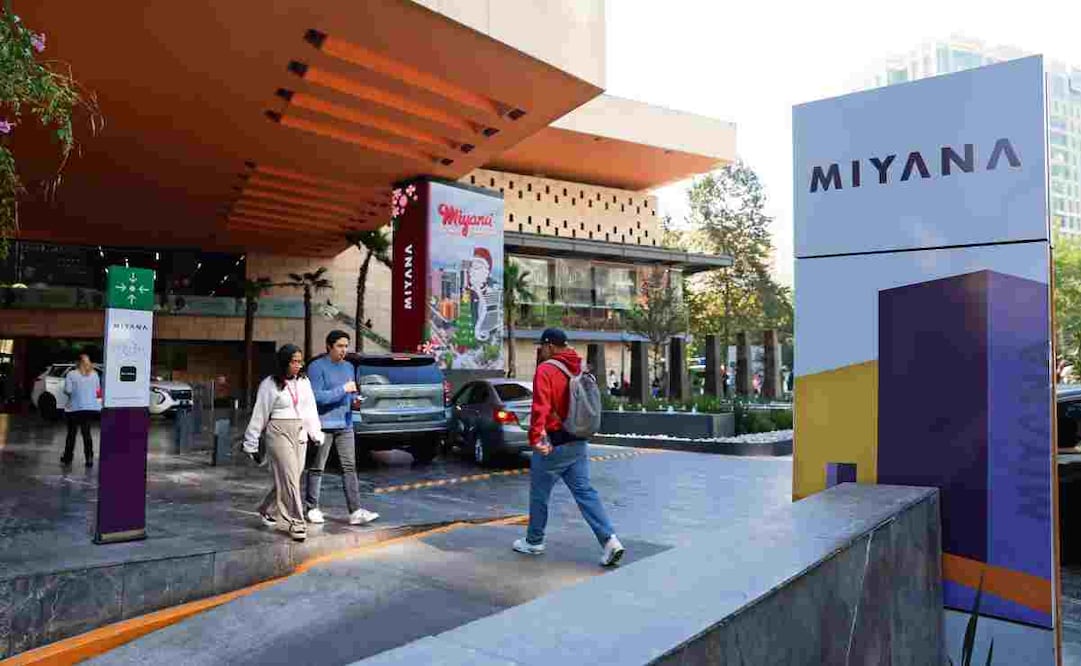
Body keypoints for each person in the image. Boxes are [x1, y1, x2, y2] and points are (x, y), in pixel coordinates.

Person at [513, 328, 625, 567]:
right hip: (578, 439)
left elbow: (540, 407)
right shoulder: (579, 366)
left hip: (555, 443)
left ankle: (534, 541)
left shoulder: (546, 369)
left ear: (550, 346)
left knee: (539, 494)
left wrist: (536, 439)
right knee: (585, 493)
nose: (540, 351)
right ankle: (610, 541)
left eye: (541, 347)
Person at [243, 344, 325, 542]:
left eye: (300, 361)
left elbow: (310, 410)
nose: (298, 365)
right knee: (289, 477)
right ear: (284, 363)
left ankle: (265, 507)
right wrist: (251, 443)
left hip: (299, 432)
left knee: (292, 479)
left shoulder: (304, 382)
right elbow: (260, 414)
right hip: (277, 431)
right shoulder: (269, 384)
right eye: (294, 361)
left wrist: (316, 433)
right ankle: (296, 522)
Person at [304, 330, 379, 526]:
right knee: (317, 467)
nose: (344, 350)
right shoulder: (317, 367)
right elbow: (316, 397)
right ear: (329, 346)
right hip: (323, 425)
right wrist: (343, 390)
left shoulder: (348, 367)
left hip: (345, 424)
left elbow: (349, 395)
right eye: (340, 346)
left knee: (349, 467)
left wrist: (355, 400)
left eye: (346, 346)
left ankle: (355, 511)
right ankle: (312, 508)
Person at [61, 353, 101, 467]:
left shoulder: (71, 374)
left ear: (77, 362)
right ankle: (89, 458)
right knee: (86, 433)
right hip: (90, 408)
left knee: (71, 434)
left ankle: (68, 457)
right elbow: (98, 391)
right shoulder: (95, 374)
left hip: (74, 408)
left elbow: (68, 390)